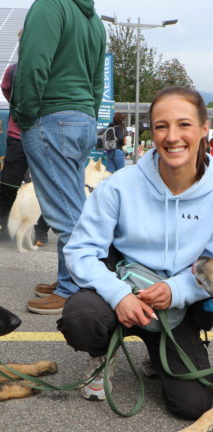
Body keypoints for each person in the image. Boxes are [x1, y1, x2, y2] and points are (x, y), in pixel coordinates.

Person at [57, 87, 213, 419]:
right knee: (81, 319)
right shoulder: (119, 185)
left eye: (184, 124)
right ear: (151, 131)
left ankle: (158, 355)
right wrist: (119, 295)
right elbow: (80, 251)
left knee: (192, 406)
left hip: (174, 309)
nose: (172, 137)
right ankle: (101, 353)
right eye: (161, 126)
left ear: (203, 128)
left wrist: (176, 290)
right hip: (120, 291)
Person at [11, 0, 106, 314]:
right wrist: (88, 115)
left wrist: (25, 115)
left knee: (66, 214)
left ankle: (74, 288)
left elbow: (32, 65)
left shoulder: (49, 6)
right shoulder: (93, 19)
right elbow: (97, 81)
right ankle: (71, 277)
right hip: (82, 119)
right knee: (76, 207)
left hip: (51, 117)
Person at [0, 61, 29, 241]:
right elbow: (5, 88)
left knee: (45, 185)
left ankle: (40, 230)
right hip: (17, 135)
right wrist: (17, 106)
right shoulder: (13, 69)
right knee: (8, 183)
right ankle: (4, 225)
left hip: (43, 135)